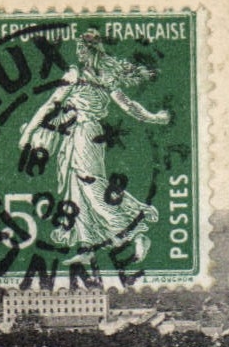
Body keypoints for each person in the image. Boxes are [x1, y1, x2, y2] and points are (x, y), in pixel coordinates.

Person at [18, 29, 170, 264]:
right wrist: (154, 117)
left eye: (83, 49)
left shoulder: (79, 75)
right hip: (77, 134)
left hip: (86, 133)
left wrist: (28, 133)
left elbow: (51, 106)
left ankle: (136, 232)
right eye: (78, 49)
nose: (79, 53)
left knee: (91, 185)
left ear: (92, 52)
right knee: (76, 189)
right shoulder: (99, 77)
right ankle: (86, 247)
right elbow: (54, 107)